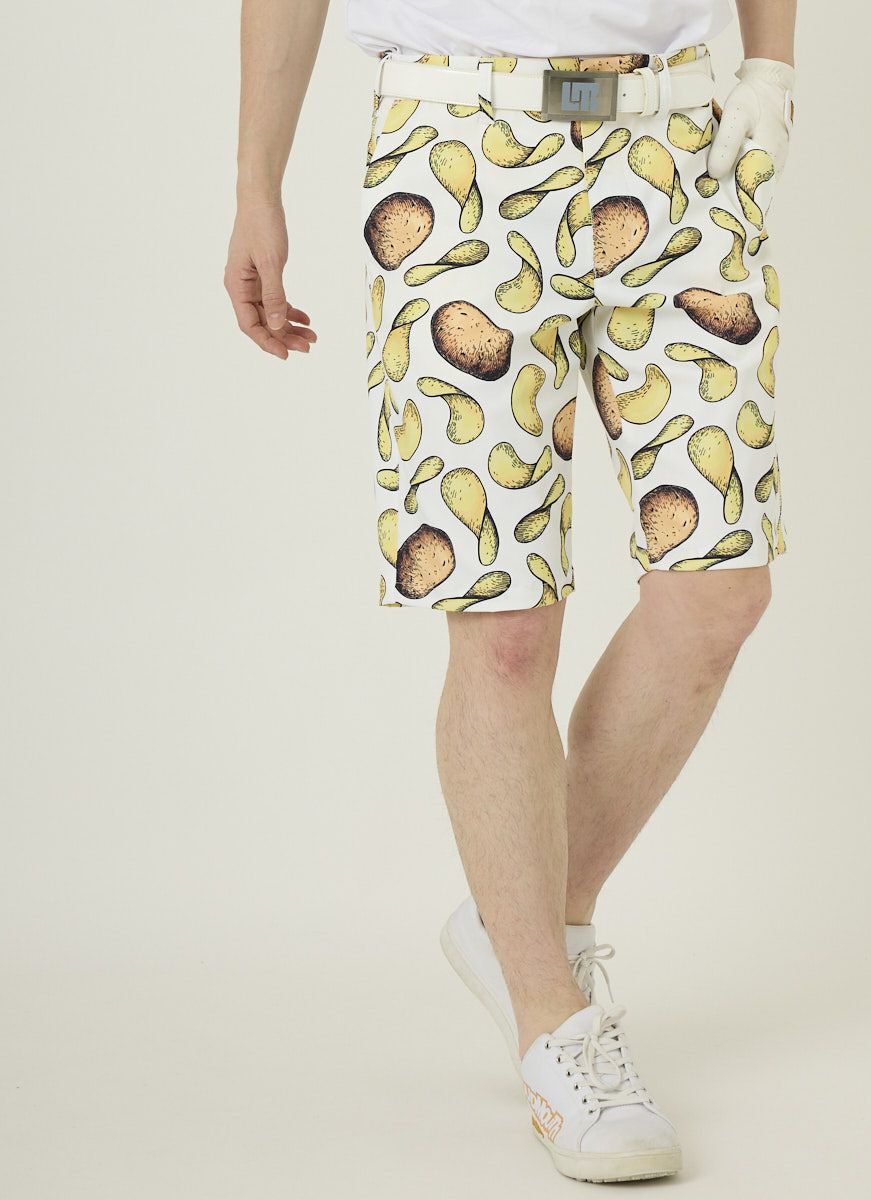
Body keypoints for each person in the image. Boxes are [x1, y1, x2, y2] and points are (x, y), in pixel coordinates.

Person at [225, 0, 796, 1183]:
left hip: (678, 143)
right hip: (456, 156)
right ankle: (552, 1018)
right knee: (502, 626)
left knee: (718, 589)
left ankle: (517, 925)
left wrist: (773, 72)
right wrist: (255, 184)